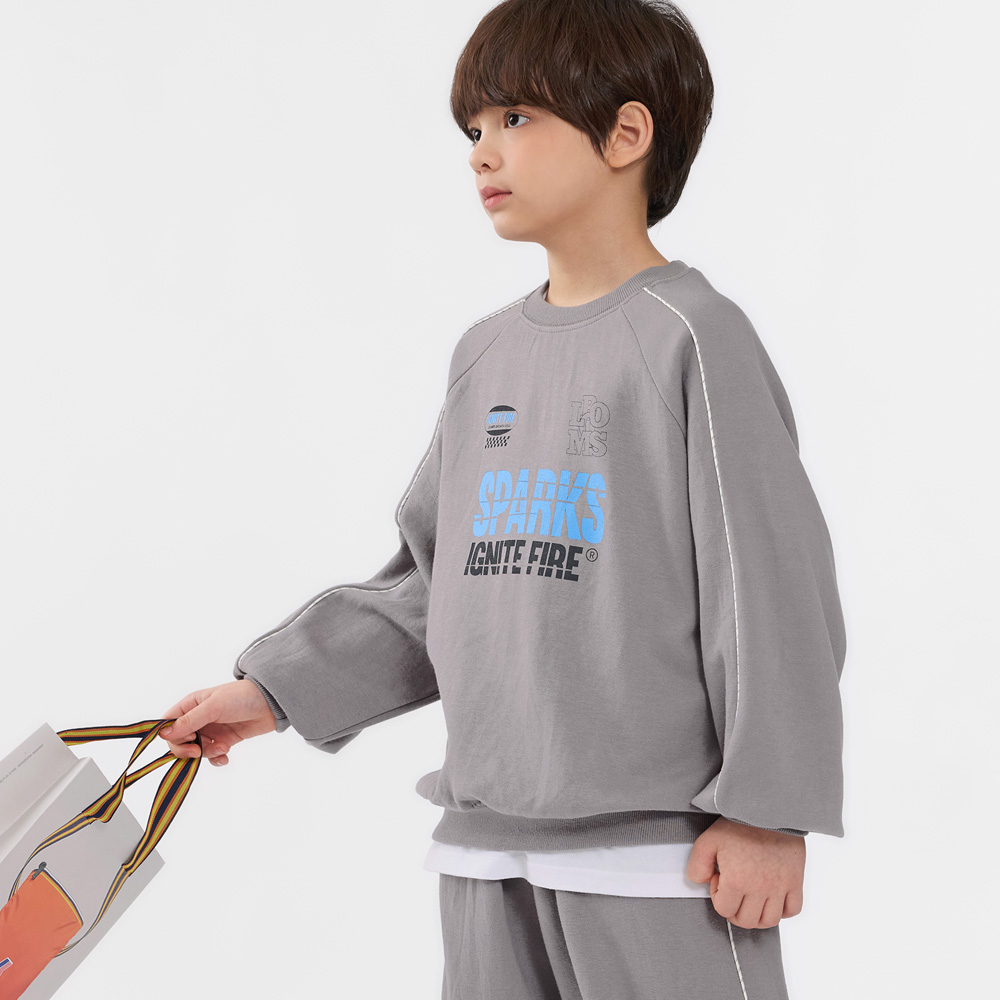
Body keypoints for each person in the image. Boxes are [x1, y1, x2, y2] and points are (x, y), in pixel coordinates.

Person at [158, 1, 847, 996]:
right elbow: (436, 584)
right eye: (473, 128)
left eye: (515, 118)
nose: (482, 151)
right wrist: (276, 691)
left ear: (626, 132)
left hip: (660, 860)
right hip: (484, 851)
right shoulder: (485, 353)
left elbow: (768, 588)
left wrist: (769, 811)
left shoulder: (692, 337)